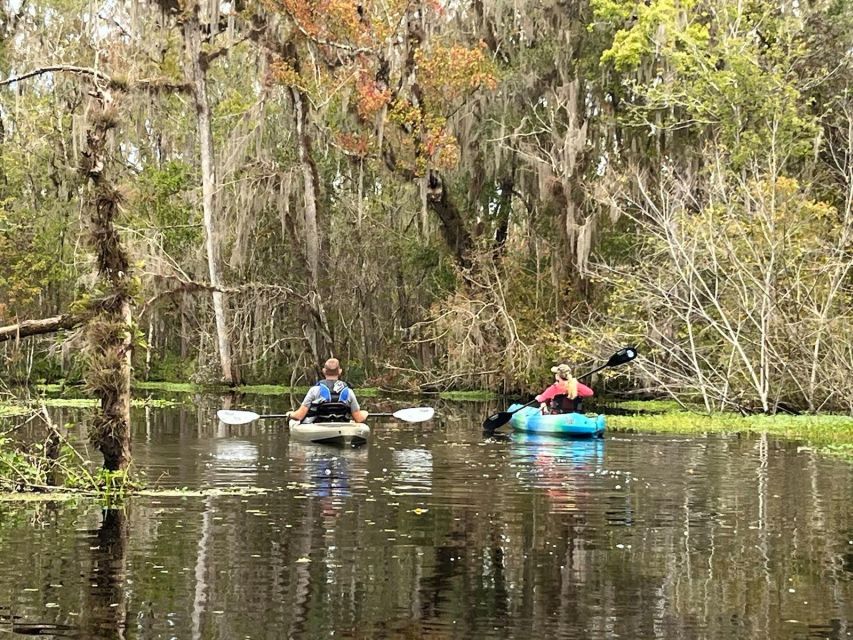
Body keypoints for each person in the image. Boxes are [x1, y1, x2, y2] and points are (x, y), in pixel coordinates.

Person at [286, 358, 369, 424]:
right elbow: (359, 418)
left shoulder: (314, 390)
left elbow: (299, 416)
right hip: (341, 425)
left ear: (323, 371)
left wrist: (290, 414)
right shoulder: (349, 392)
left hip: (318, 426)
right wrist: (365, 413)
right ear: (340, 371)